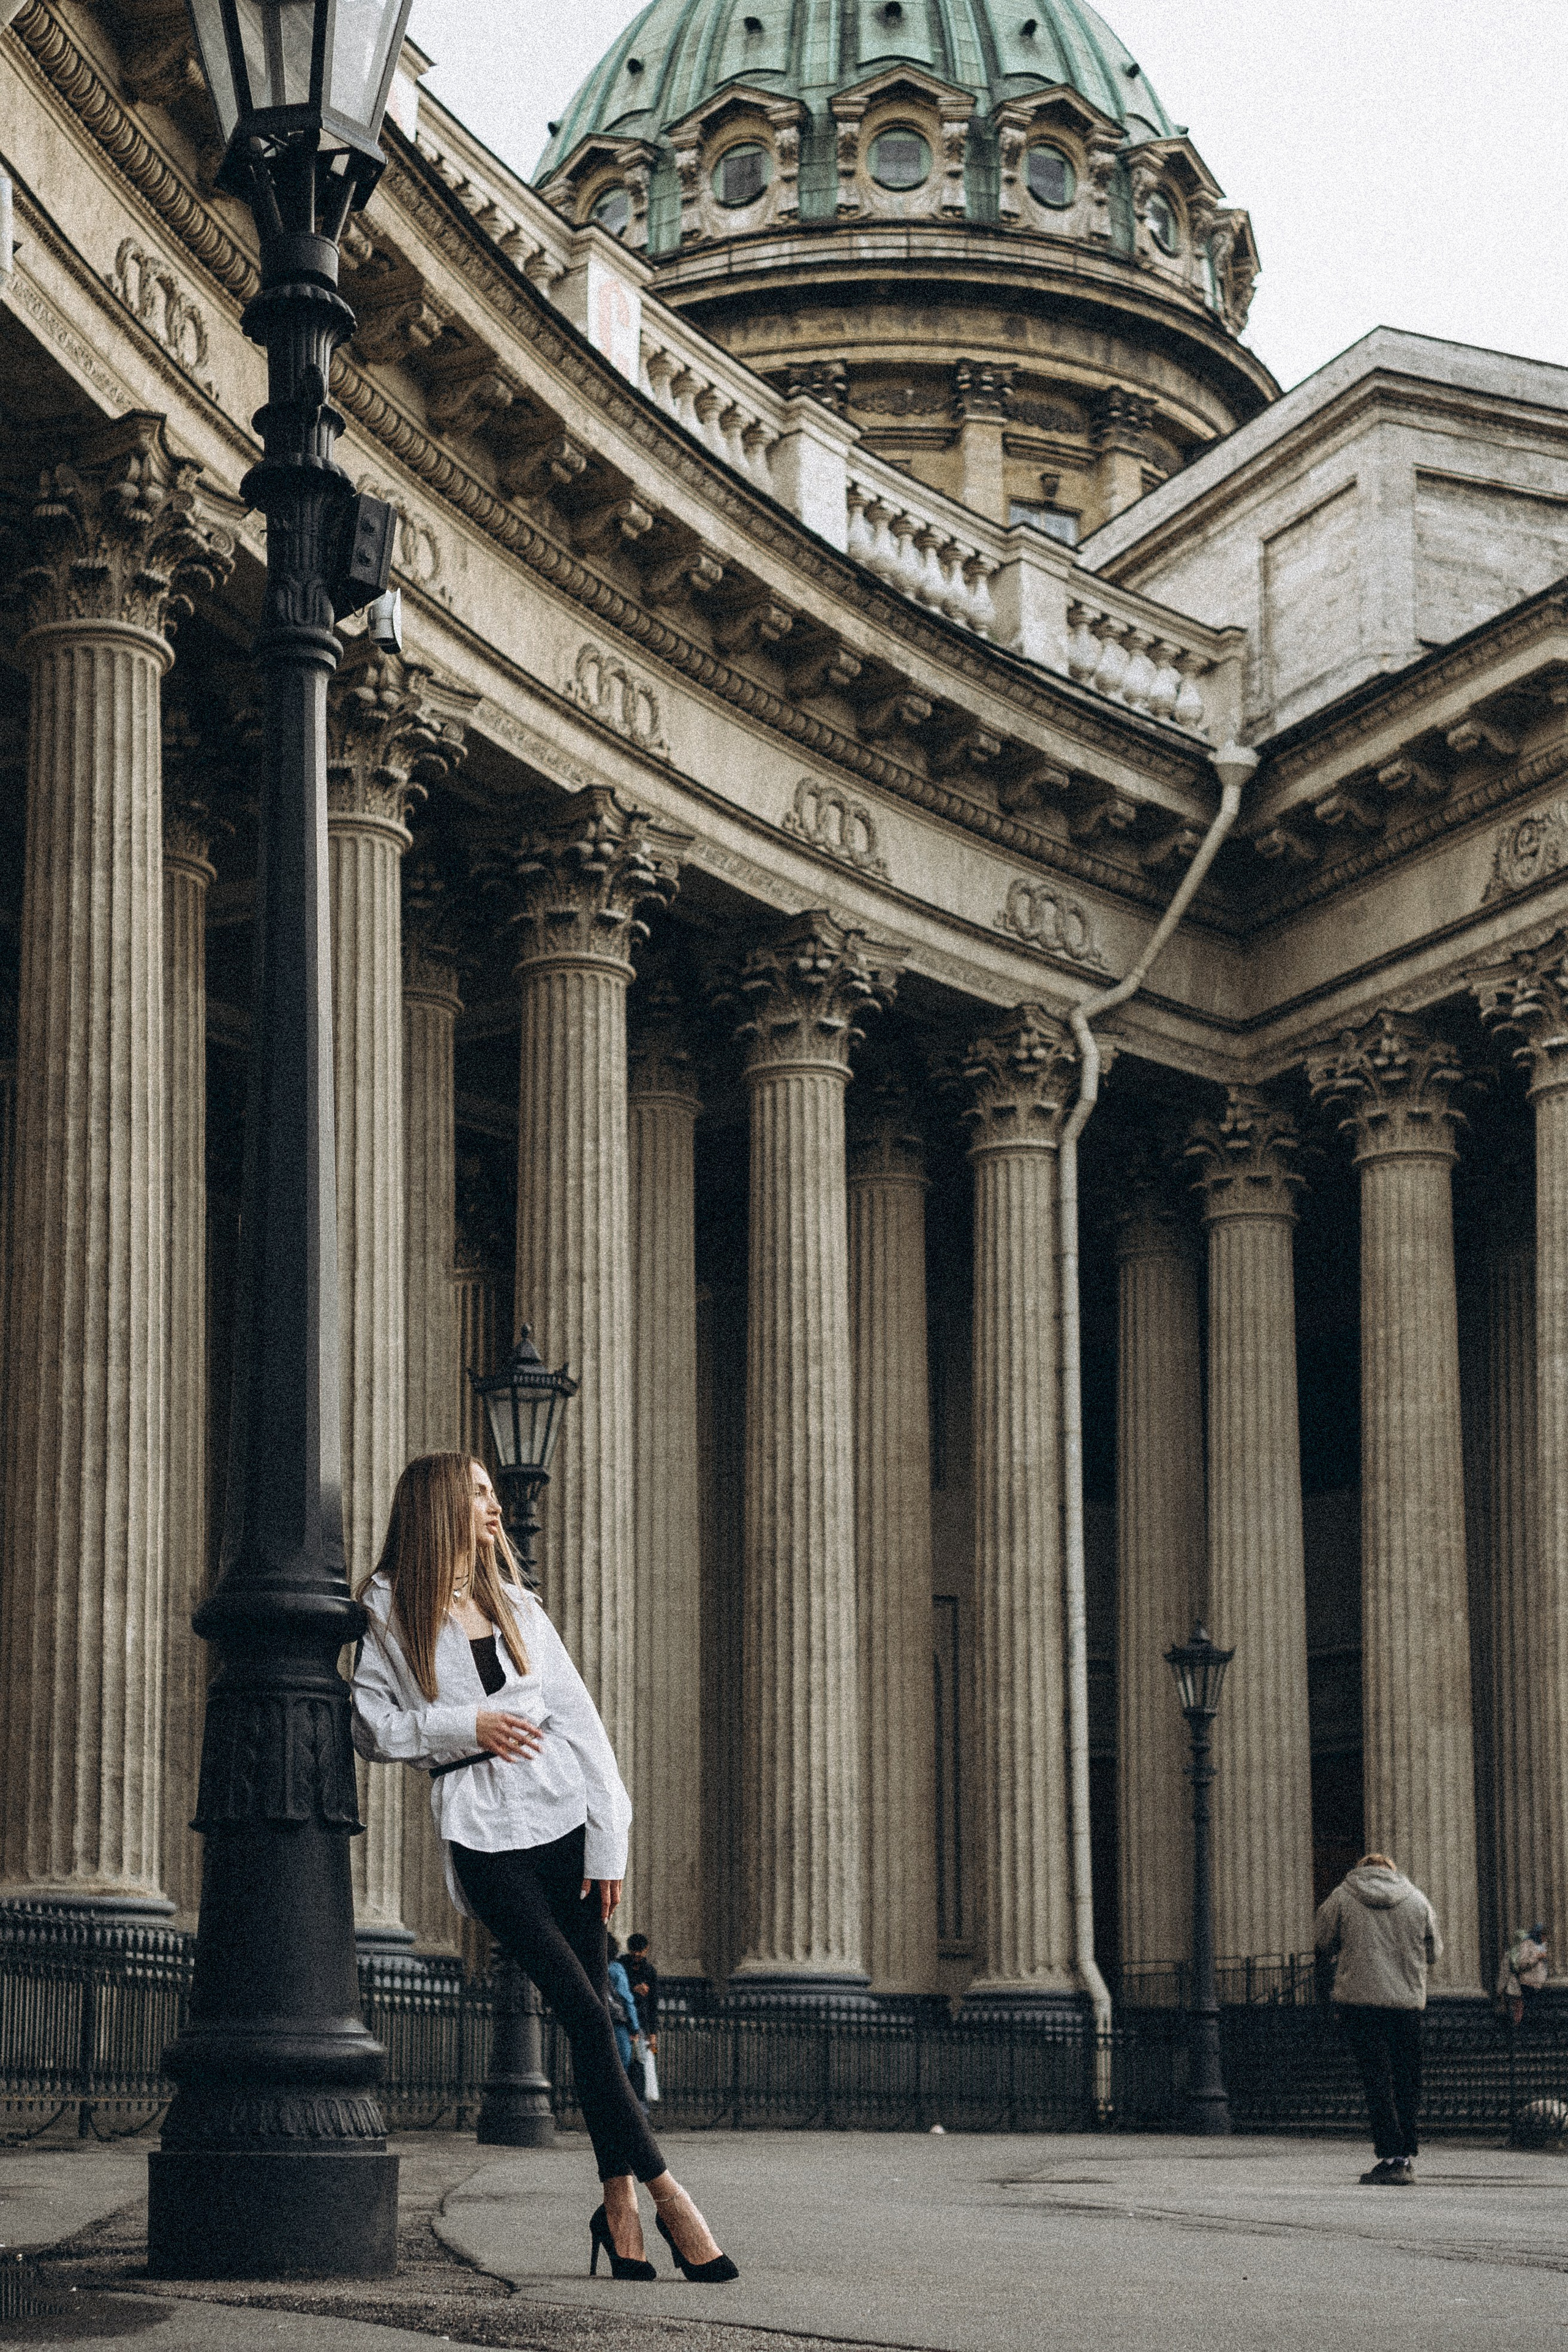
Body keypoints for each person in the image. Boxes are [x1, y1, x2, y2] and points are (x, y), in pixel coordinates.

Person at [352, 1452, 737, 2283]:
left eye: (495, 1493)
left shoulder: (518, 1602)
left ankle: (619, 2209)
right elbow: (372, 1726)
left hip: (565, 1823)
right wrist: (466, 1727)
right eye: (480, 1493)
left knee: (593, 2017)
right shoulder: (386, 1605)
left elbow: (582, 1730)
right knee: (587, 2012)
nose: (494, 1506)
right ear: (441, 1505)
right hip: (484, 1837)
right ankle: (672, 2196)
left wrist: (611, 1843)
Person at [1314, 1850, 1443, 2185]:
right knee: (1406, 2078)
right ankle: (1405, 2155)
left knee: (1376, 2079)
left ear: (1360, 1871)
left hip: (1360, 2003)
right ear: (1393, 1871)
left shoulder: (1342, 1896)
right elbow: (1435, 1952)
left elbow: (1322, 1939)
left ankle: (1389, 2155)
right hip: (1406, 2005)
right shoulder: (1417, 1899)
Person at [606, 1935, 646, 2109]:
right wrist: (635, 2027)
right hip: (618, 2025)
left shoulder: (591, 1968)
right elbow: (626, 1999)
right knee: (621, 2068)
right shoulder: (616, 1969)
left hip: (599, 2022)